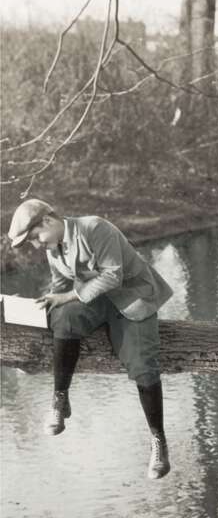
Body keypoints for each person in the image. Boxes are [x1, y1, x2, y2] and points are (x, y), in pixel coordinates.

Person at [8, 198, 174, 480]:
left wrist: (68, 296)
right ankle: (60, 399)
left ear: (48, 221)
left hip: (133, 296)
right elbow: (60, 285)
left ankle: (158, 440)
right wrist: (46, 303)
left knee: (143, 365)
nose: (37, 245)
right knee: (64, 318)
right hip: (97, 300)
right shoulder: (53, 248)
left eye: (36, 237)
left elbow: (113, 276)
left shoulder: (94, 228)